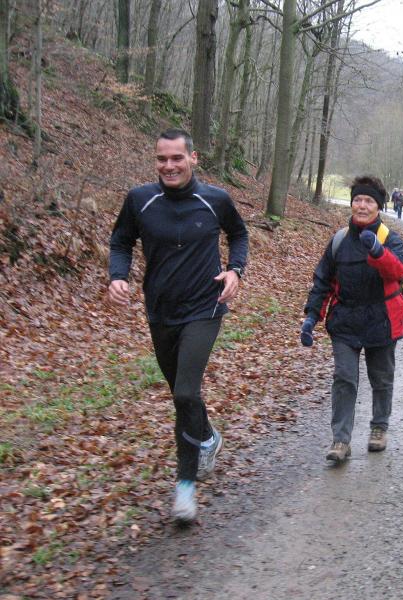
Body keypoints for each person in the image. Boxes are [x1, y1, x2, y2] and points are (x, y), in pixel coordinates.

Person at [108, 128, 249, 523]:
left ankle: (185, 486)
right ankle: (207, 436)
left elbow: (239, 235)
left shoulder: (215, 199)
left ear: (193, 158)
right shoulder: (140, 200)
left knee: (186, 391)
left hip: (205, 307)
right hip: (160, 311)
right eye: (162, 159)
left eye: (176, 158)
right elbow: (120, 241)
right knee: (181, 397)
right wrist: (117, 276)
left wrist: (235, 270)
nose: (168, 166)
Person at [300, 175, 403, 463]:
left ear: (379, 206)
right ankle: (341, 440)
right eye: (358, 200)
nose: (362, 206)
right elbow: (322, 280)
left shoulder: (389, 238)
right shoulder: (339, 241)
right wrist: (312, 316)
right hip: (345, 320)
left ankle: (379, 428)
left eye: (368, 201)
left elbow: (400, 270)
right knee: (344, 378)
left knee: (381, 378)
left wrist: (378, 251)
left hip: (381, 319)